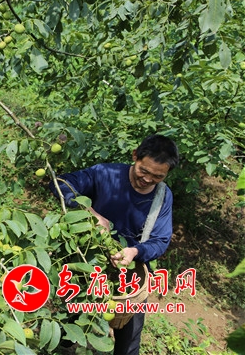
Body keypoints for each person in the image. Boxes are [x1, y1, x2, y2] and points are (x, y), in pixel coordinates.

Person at [49, 134, 179, 355]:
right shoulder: (106, 174)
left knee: (129, 341)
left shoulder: (162, 196)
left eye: (158, 176)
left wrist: (135, 251)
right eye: (144, 171)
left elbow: (160, 241)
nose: (148, 179)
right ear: (135, 156)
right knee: (70, 322)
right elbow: (61, 184)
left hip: (130, 274)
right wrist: (89, 212)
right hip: (88, 264)